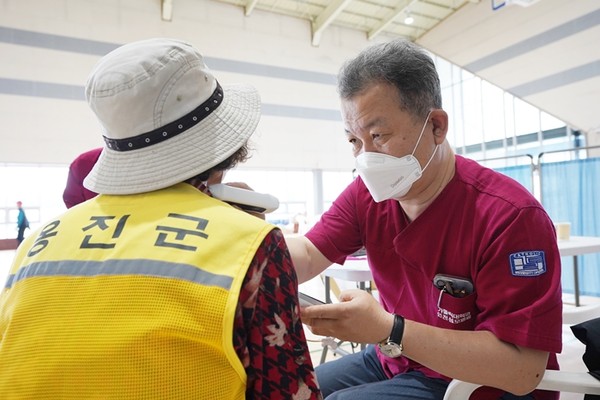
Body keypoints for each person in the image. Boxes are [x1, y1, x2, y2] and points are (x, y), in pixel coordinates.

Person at [0, 38, 321, 400]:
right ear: (228, 147)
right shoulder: (251, 245)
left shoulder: (36, 244)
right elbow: (290, 392)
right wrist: (238, 232)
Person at [288, 39, 562, 400]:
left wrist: (390, 329)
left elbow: (523, 369)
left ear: (435, 126)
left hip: (477, 384)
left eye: (378, 136)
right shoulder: (366, 196)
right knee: (289, 389)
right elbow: (307, 252)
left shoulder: (509, 217)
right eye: (354, 140)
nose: (366, 158)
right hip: (399, 358)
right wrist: (249, 253)